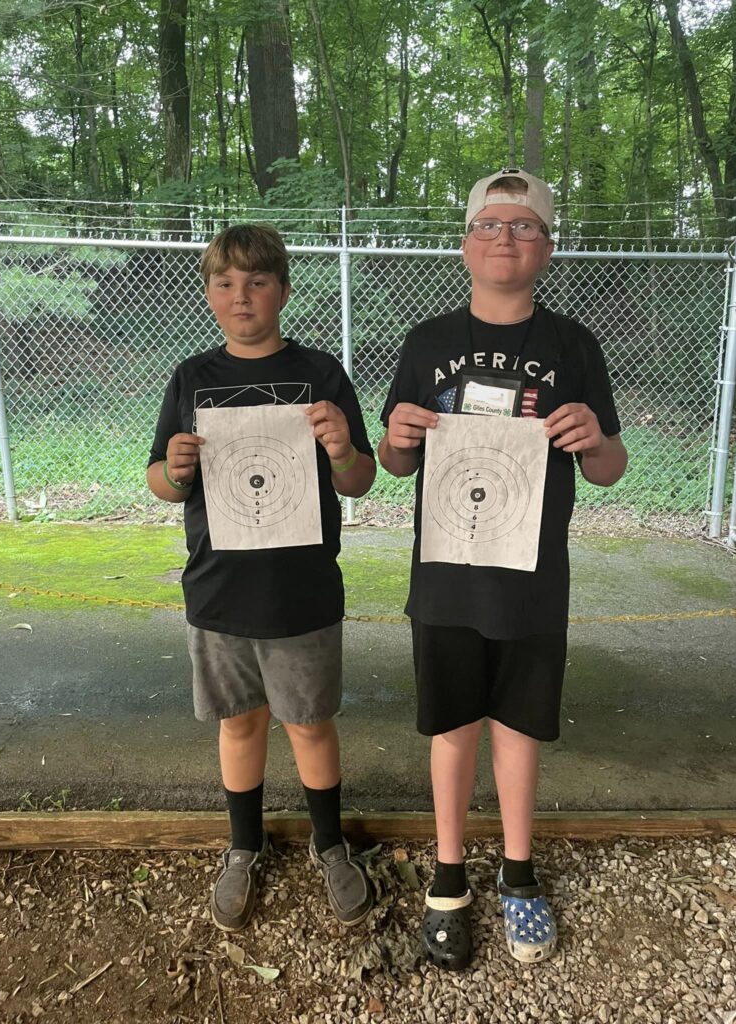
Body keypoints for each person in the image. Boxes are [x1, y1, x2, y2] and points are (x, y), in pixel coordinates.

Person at [378, 168, 627, 970]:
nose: (506, 238)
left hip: (531, 575)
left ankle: (518, 876)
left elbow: (609, 469)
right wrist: (401, 437)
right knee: (452, 727)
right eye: (490, 224)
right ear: (464, 245)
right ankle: (448, 878)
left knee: (519, 726)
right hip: (447, 571)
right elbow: (391, 462)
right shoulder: (427, 342)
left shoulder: (573, 346)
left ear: (548, 248)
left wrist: (594, 435)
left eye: (525, 226)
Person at [147, 224, 376, 932]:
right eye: (224, 283)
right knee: (239, 724)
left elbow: (361, 478)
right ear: (208, 293)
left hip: (301, 590)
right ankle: (244, 846)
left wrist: (341, 446)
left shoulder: (322, 373)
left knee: (309, 723)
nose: (240, 296)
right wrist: (176, 469)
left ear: (282, 289)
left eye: (256, 282)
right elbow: (158, 479)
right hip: (218, 588)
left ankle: (330, 844)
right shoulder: (192, 377)